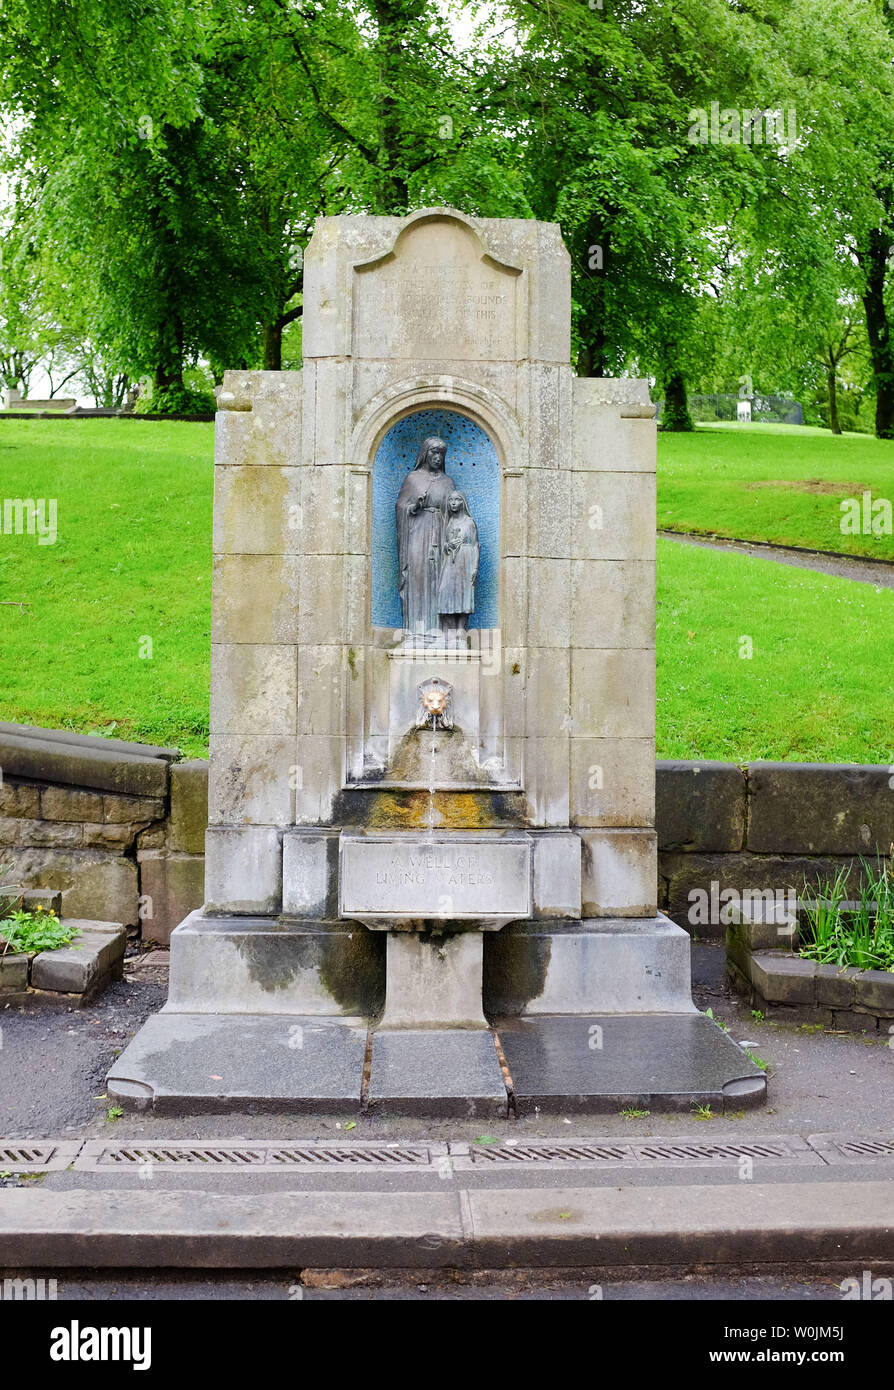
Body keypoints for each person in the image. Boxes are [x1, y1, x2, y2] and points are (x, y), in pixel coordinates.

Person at [395, 436, 458, 642]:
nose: (438, 458)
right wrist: (413, 507)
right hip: (417, 532)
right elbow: (401, 508)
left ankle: (439, 630)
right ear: (425, 454)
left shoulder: (448, 482)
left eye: (441, 454)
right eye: (434, 453)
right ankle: (416, 630)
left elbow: (454, 512)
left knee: (439, 579)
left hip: (439, 534)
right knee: (417, 576)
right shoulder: (413, 479)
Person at [437, 490, 479, 643]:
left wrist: (474, 567)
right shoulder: (449, 523)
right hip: (451, 561)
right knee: (445, 590)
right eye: (451, 500)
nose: (453, 503)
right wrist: (447, 546)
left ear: (463, 502)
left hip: (466, 560)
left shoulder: (469, 522)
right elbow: (443, 545)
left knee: (464, 592)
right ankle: (449, 629)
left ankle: (461, 629)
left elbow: (475, 545)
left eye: (457, 500)